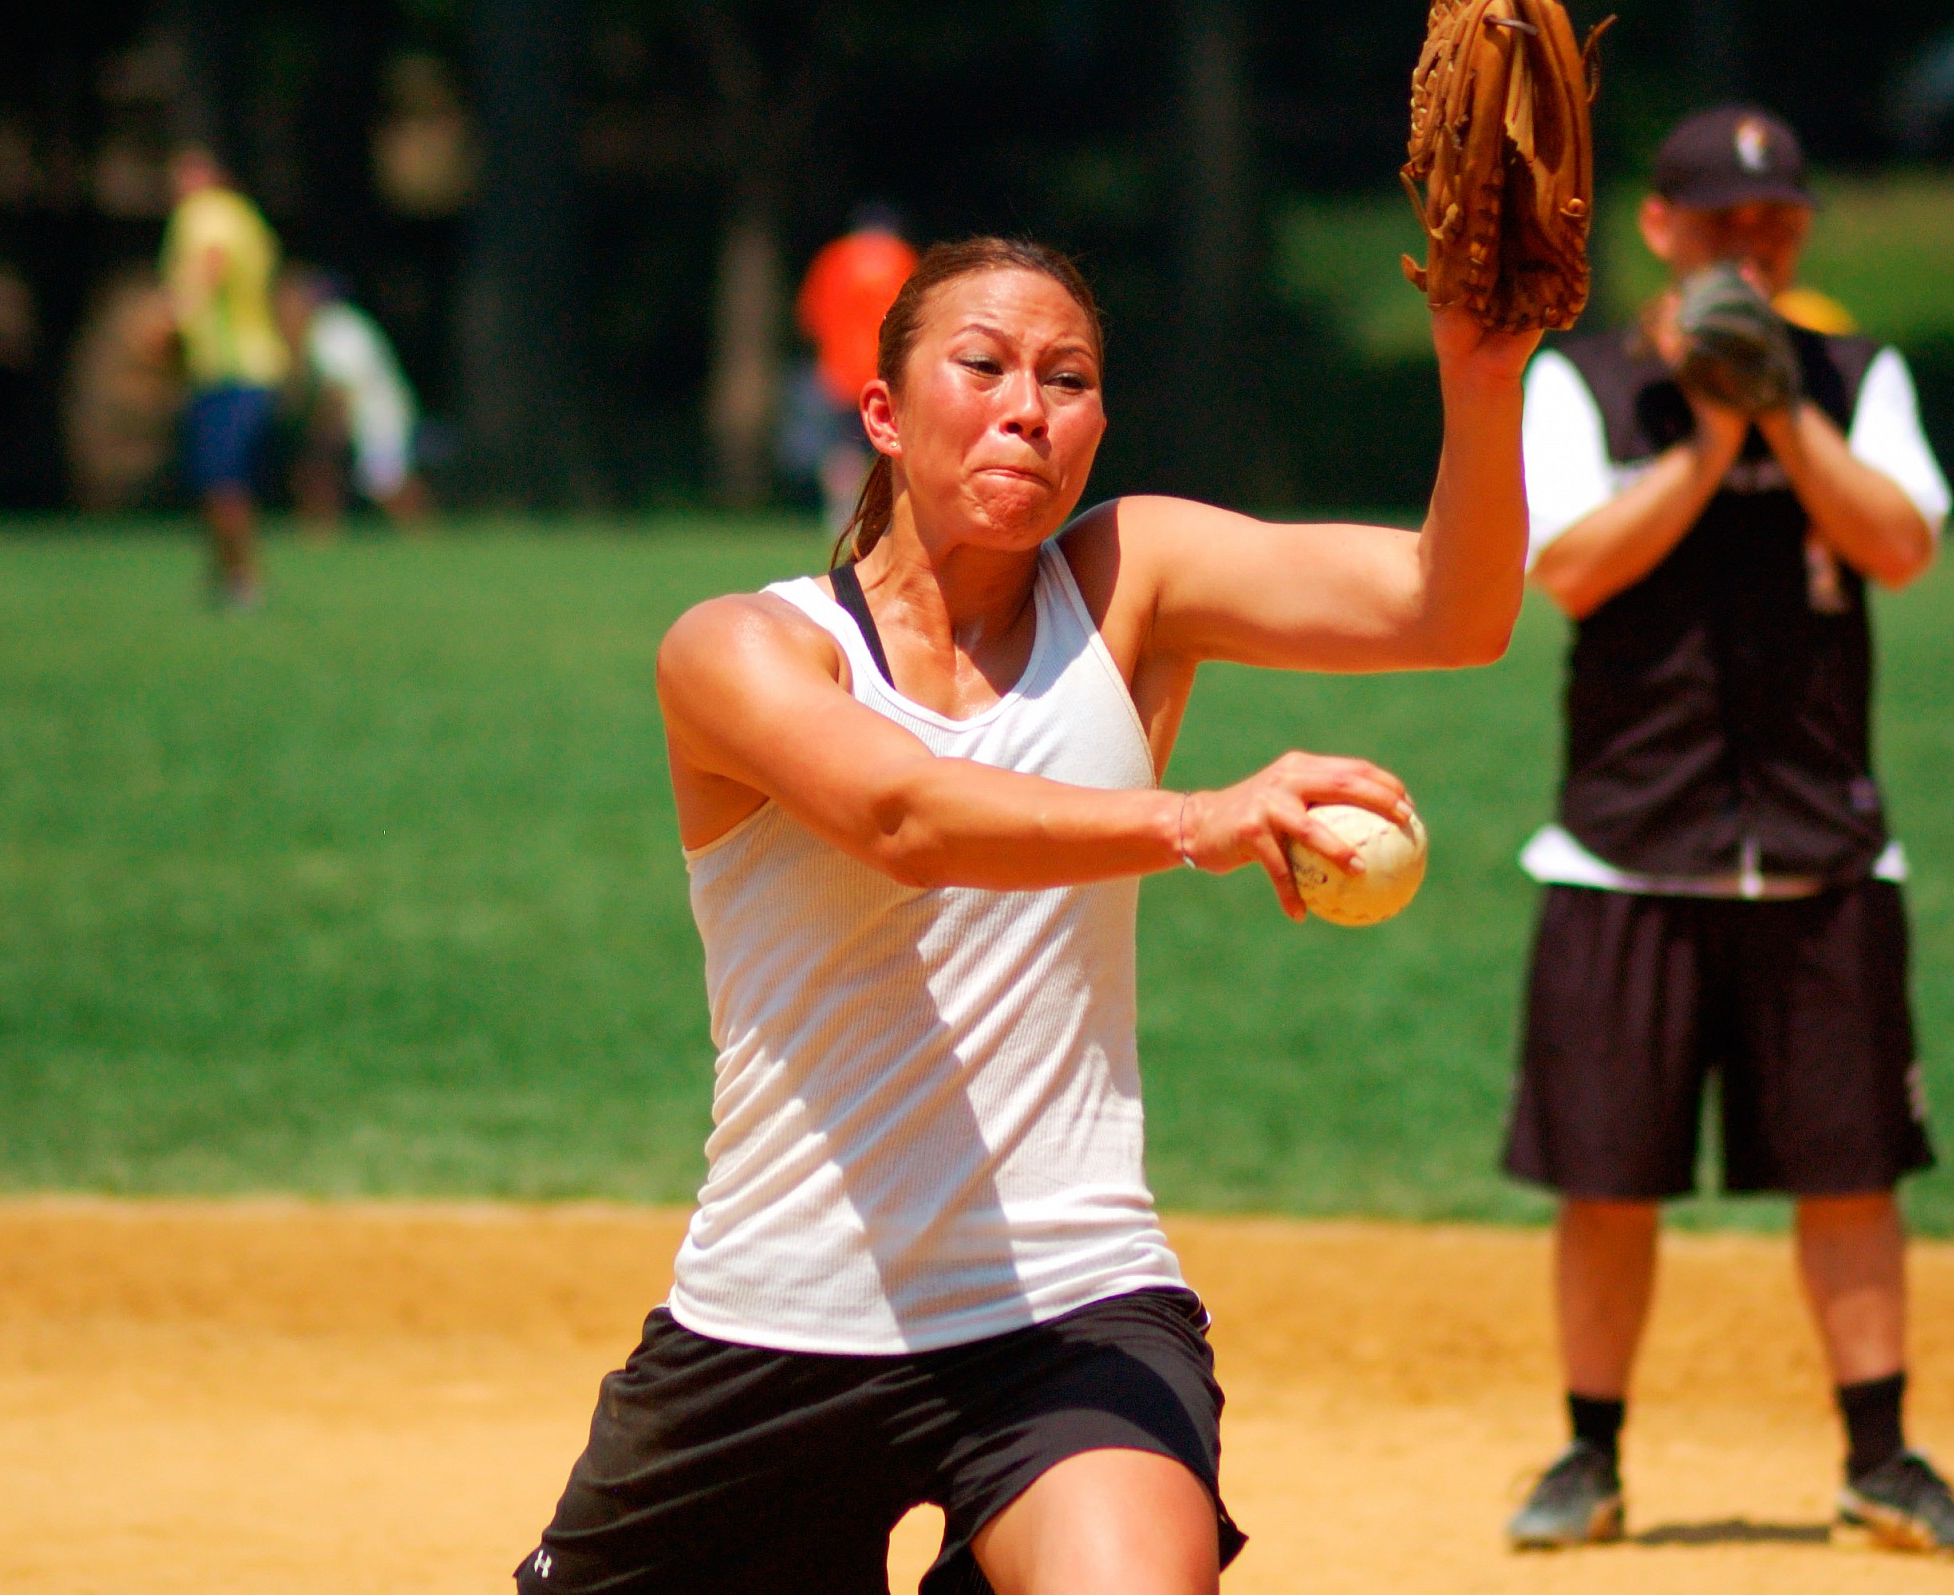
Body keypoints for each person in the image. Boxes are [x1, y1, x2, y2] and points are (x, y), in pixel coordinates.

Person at [514, 237, 1537, 1595]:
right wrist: (1192, 818)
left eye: (1069, 379)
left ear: (1098, 427)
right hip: (775, 1317)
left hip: (1066, 1300)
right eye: (982, 365)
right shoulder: (740, 648)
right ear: (882, 413)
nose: (1027, 405)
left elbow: (1451, 610)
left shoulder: (1133, 579)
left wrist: (1482, 380)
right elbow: (906, 819)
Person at [1497, 106, 1954, 1559]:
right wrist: (1711, 428)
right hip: (1625, 842)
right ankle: (1587, 1455)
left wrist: (1783, 409)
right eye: (1722, 220)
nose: (1753, 240)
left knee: (1851, 1168)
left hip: (1822, 839)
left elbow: (1900, 544)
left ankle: (1880, 1454)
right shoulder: (1585, 382)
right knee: (1608, 1177)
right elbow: (1570, 566)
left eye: (1777, 220)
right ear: (1657, 229)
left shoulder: (1859, 376)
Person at [160, 147, 289, 608]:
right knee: (221, 478)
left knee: (221, 478)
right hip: (245, 368)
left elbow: (211, 263)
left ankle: (241, 579)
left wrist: (171, 317)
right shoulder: (244, 215)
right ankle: (228, 577)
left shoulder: (206, 213)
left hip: (232, 368)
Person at [274, 268, 432, 531]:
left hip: (377, 414)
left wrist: (328, 431)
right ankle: (321, 533)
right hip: (358, 414)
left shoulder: (334, 329)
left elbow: (339, 391)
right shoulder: (308, 331)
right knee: (322, 472)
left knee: (385, 482)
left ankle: (423, 536)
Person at [793, 213, 920, 531]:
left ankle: (843, 514)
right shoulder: (901, 257)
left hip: (840, 369)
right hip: (888, 368)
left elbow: (811, 315)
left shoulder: (836, 257)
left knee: (842, 444)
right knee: (894, 441)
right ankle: (892, 514)